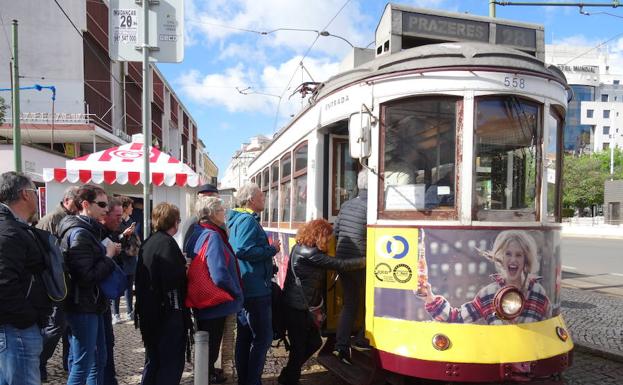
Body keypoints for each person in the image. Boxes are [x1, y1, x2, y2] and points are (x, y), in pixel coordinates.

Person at [278, 219, 365, 385]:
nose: (330, 240)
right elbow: (340, 264)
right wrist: (367, 260)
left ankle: (288, 373)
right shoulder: (310, 254)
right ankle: (289, 379)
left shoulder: (301, 247)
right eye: (329, 237)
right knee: (299, 347)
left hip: (297, 305)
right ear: (320, 236)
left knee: (314, 342)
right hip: (297, 308)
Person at [419, 230, 551, 324]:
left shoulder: (538, 293)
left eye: (518, 255)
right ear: (501, 258)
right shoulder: (488, 294)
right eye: (508, 254)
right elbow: (456, 318)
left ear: (525, 259)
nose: (513, 260)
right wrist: (429, 297)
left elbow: (547, 330)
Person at [57, 184, 118, 385]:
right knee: (83, 364)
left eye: (106, 205)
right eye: (101, 204)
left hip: (90, 304)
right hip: (82, 305)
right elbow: (86, 276)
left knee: (98, 361)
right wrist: (109, 256)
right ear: (85, 204)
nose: (105, 209)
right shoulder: (80, 233)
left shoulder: (88, 230)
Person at [226, 183, 280, 385]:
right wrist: (271, 250)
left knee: (245, 337)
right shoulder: (248, 221)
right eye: (261, 195)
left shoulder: (237, 220)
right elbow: (243, 250)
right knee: (263, 338)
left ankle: (245, 380)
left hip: (247, 285)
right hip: (255, 288)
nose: (264, 198)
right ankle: (252, 380)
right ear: (250, 199)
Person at [0, 172, 51, 385]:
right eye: (33, 191)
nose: (36, 197)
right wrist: (27, 318)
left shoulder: (12, 227)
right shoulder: (8, 231)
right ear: (25, 194)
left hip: (15, 327)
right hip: (16, 329)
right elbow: (4, 284)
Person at [135, 203, 191, 385]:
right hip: (167, 314)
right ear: (174, 222)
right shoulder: (167, 244)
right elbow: (172, 280)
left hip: (149, 314)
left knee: (154, 361)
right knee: (170, 363)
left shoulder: (149, 242)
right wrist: (185, 269)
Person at [190, 196, 243, 384]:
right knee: (211, 346)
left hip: (204, 301)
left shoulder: (200, 231)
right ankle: (207, 376)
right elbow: (219, 273)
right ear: (212, 214)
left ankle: (209, 373)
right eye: (221, 210)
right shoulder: (213, 235)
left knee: (208, 345)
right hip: (214, 302)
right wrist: (235, 290)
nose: (225, 213)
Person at [37, 185, 79, 381]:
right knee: (56, 326)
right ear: (68, 200)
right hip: (56, 282)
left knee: (68, 327)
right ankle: (39, 362)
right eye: (77, 201)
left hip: (67, 281)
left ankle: (67, 363)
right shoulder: (53, 219)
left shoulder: (69, 217)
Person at [333, 169, 369, 365]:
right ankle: (363, 337)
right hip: (362, 261)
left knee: (350, 304)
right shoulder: (373, 207)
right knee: (372, 302)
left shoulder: (347, 205)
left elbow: (337, 231)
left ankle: (341, 344)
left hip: (343, 261)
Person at [100, 197, 126, 385]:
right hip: (92, 301)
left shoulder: (111, 233)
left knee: (107, 344)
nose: (120, 219)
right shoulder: (94, 234)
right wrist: (109, 255)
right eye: (117, 216)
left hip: (102, 301)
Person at [112, 196, 140, 324]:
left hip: (131, 257)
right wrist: (124, 234)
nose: (132, 208)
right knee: (118, 287)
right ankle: (115, 313)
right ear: (124, 208)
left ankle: (129, 311)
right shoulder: (116, 222)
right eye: (130, 206)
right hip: (120, 258)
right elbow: (114, 239)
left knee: (129, 286)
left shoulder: (130, 221)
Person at [183, 183, 219, 259]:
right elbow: (187, 249)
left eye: (211, 198)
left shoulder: (218, 220)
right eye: (204, 198)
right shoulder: (193, 221)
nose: (207, 201)